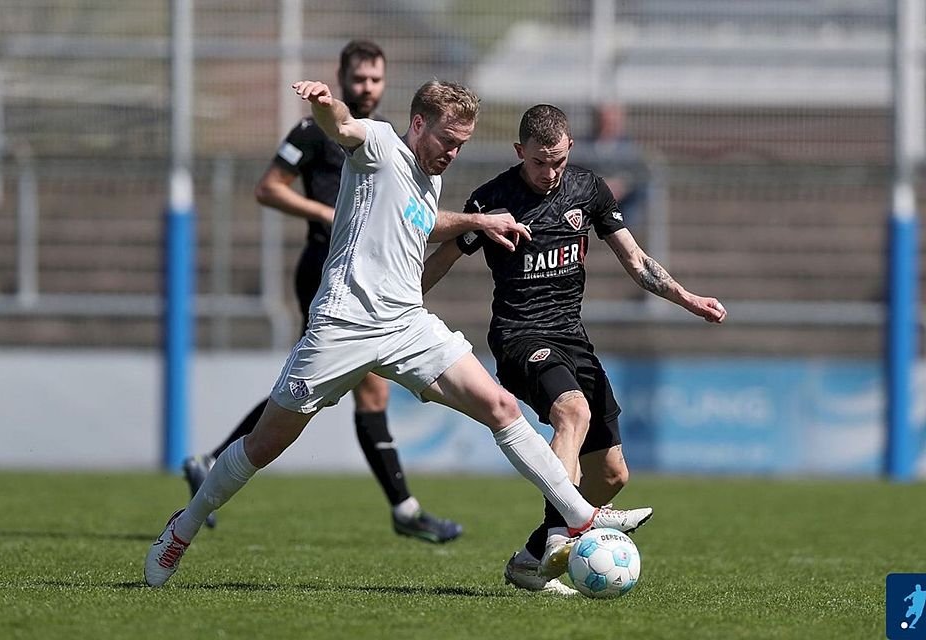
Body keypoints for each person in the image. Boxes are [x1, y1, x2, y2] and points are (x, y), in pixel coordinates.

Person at [145, 79, 653, 589]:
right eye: (447, 140)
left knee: (500, 407)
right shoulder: (381, 145)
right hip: (344, 324)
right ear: (418, 124)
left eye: (462, 145)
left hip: (406, 322)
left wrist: (474, 221)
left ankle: (579, 517)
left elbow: (422, 223)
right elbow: (344, 126)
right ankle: (182, 528)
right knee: (264, 444)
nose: (452, 153)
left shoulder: (429, 177)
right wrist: (325, 104)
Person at [422, 104, 727, 595]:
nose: (550, 172)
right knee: (572, 411)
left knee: (611, 475)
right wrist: (402, 302)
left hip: (572, 338)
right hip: (520, 336)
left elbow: (636, 260)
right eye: (539, 162)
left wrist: (687, 299)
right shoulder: (493, 200)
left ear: (571, 149)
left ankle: (530, 559)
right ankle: (564, 536)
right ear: (519, 151)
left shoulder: (588, 190)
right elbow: (446, 256)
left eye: (558, 161)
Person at [180, 40, 462, 544]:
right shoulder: (318, 131)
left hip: (371, 273)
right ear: (343, 76)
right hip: (327, 267)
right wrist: (327, 214)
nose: (367, 87)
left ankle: (401, 507)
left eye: (376, 79)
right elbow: (268, 188)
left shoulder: (391, 138)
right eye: (359, 79)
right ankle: (403, 508)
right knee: (337, 387)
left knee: (334, 387)